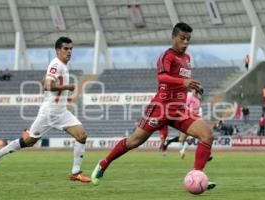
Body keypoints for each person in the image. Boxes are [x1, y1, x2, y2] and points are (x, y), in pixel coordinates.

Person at [91, 22, 216, 189]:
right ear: (173, 38)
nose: (185, 42)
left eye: (188, 39)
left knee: (207, 135)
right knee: (133, 142)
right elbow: (162, 77)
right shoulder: (167, 56)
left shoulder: (186, 58)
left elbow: (180, 83)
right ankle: (103, 163)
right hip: (160, 108)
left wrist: (194, 87)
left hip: (179, 110)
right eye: (182, 38)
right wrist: (184, 81)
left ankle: (197, 175)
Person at [0, 37, 91, 183]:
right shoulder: (56, 64)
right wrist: (67, 87)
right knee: (29, 141)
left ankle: (75, 173)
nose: (69, 52)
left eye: (70, 49)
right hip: (49, 113)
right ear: (58, 51)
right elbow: (47, 85)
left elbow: (45, 80)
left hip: (61, 113)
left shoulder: (61, 65)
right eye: (65, 49)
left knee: (82, 136)